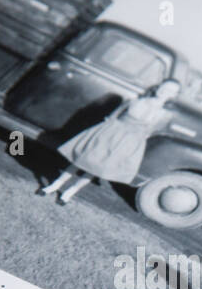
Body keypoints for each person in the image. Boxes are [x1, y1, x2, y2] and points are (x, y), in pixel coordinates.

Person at [38, 79, 182, 205]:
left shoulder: (165, 115)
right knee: (84, 159)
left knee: (99, 168)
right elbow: (113, 116)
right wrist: (103, 132)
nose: (165, 91)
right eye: (164, 86)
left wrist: (132, 144)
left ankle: (70, 192)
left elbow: (150, 132)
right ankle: (55, 185)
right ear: (158, 86)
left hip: (129, 141)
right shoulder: (135, 100)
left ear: (173, 96)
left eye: (170, 90)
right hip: (110, 132)